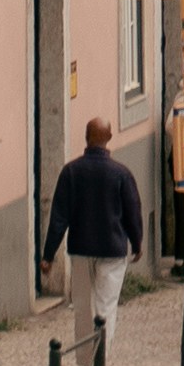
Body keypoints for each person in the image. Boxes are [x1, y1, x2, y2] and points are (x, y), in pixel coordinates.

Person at [42, 109, 145, 353]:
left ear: (86, 137)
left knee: (83, 310)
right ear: (109, 137)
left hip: (81, 250)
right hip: (112, 249)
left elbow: (59, 217)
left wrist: (48, 255)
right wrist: (137, 242)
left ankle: (86, 361)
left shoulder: (71, 172)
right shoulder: (121, 174)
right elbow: (133, 212)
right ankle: (101, 365)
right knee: (106, 307)